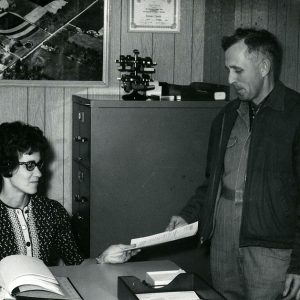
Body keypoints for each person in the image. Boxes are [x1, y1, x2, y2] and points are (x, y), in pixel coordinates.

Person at [166, 27, 300, 300]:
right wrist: (188, 216)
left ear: (264, 66)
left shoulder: (296, 115)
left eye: (237, 70)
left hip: (271, 247)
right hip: (223, 238)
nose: (230, 79)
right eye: (229, 70)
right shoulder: (226, 117)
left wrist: (298, 263)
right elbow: (212, 181)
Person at [0, 121, 138, 266]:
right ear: (7, 166)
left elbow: (77, 264)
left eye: (38, 164)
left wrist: (103, 259)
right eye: (29, 166)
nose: (39, 173)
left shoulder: (52, 211)